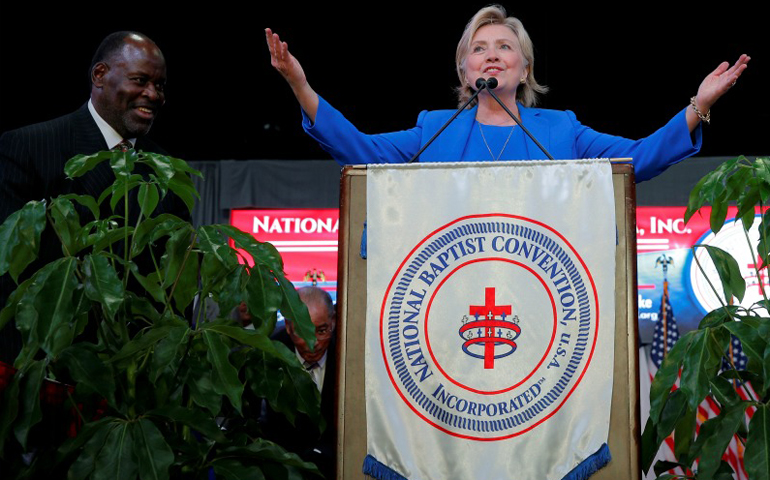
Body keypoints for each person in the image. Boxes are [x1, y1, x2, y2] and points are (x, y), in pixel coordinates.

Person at [265, 6, 749, 183]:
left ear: (525, 68)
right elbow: (361, 153)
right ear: (464, 67)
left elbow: (639, 160)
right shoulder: (435, 129)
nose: (491, 56)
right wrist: (299, 84)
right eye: (478, 49)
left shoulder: (561, 130)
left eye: (504, 47)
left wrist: (699, 104)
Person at [0, 31, 178, 363]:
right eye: (140, 80)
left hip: (139, 380)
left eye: (160, 85)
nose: (153, 94)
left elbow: (174, 286)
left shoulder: (168, 170)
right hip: (48, 369)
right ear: (99, 75)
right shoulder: (29, 148)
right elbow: (9, 275)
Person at [267, 286, 337, 479]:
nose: (313, 342)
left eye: (321, 330)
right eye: (302, 331)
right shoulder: (270, 355)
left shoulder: (347, 356)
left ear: (333, 322)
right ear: (288, 327)